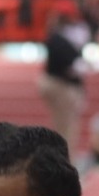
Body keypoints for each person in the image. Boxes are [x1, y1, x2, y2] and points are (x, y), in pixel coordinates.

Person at [38, 11, 86, 156]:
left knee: (63, 126)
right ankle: (64, 161)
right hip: (62, 86)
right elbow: (70, 66)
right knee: (66, 128)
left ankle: (62, 158)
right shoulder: (60, 41)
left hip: (57, 84)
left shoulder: (57, 39)